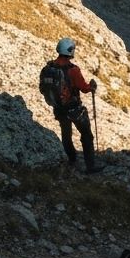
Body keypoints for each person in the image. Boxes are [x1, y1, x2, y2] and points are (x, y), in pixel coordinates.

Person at [45, 37, 103, 174]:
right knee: (86, 136)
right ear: (70, 51)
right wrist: (92, 86)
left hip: (59, 109)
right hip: (74, 109)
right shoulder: (73, 70)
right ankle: (90, 166)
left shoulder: (49, 68)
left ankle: (72, 160)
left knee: (66, 135)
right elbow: (84, 88)